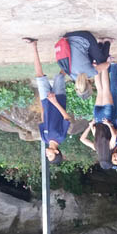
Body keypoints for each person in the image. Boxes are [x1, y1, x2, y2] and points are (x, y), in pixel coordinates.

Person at [25, 37, 70, 165]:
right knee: (60, 76)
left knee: (39, 77)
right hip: (58, 99)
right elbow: (67, 118)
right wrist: (55, 102)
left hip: (46, 100)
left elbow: (43, 118)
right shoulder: (61, 137)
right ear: (56, 152)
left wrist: (43, 102)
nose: (47, 154)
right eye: (50, 156)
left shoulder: (44, 138)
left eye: (47, 156)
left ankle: (33, 46)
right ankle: (69, 51)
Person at [60, 30, 112, 97]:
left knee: (102, 61)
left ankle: (107, 42)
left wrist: (108, 62)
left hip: (83, 36)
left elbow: (106, 65)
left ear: (88, 85)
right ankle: (100, 44)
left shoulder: (90, 73)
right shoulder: (71, 75)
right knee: (91, 61)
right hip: (67, 39)